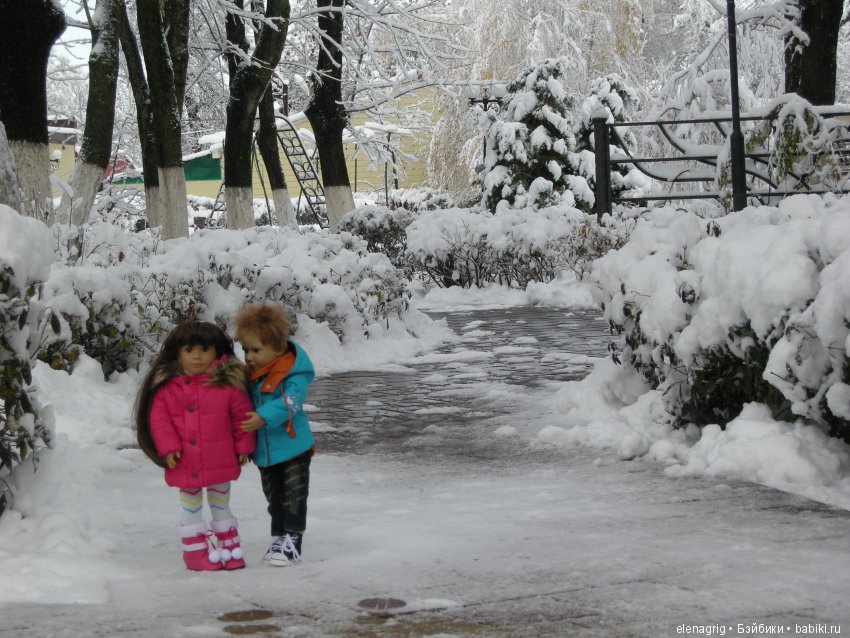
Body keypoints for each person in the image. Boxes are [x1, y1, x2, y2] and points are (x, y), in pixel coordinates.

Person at [134, 321, 255, 571]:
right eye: (189, 350)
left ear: (217, 351)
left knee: (221, 503)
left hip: (219, 457)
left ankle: (230, 549)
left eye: (204, 350)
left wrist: (244, 446)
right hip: (185, 459)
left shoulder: (228, 385)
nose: (197, 357)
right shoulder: (167, 388)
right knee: (191, 506)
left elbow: (242, 417)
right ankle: (195, 553)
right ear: (178, 353)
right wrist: (168, 447)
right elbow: (159, 420)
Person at [233, 302, 316, 567]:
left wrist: (263, 416)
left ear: (278, 347)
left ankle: (293, 541)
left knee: (294, 495)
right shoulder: (251, 376)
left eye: (256, 350)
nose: (249, 356)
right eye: (245, 349)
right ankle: (279, 537)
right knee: (274, 498)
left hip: (294, 448)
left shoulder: (293, 375)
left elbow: (292, 402)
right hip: (265, 453)